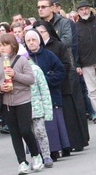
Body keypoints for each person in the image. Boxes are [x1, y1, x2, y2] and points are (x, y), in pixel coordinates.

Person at [0, 33, 44, 175]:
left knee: (25, 129)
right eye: (0, 45)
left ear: (13, 46)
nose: (2, 48)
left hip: (23, 99)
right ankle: (22, 162)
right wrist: (0, 88)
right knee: (15, 133)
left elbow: (31, 79)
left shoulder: (22, 61)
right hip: (7, 102)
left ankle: (36, 155)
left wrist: (15, 75)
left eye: (5, 45)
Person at [33, 19, 89, 154]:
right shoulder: (34, 50)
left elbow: (66, 64)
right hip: (43, 91)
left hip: (61, 85)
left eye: (42, 32)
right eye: (37, 33)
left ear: (49, 32)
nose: (40, 35)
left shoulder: (58, 46)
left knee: (67, 117)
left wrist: (51, 76)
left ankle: (72, 143)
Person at [25, 29, 70, 161]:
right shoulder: (24, 59)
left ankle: (54, 150)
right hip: (32, 98)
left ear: (39, 41)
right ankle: (38, 151)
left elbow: (60, 71)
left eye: (33, 40)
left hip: (50, 94)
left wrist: (46, 80)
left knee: (51, 124)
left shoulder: (49, 55)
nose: (31, 43)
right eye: (28, 41)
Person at [28, 58, 54, 167]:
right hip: (23, 109)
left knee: (40, 132)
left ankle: (46, 155)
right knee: (28, 135)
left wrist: (47, 111)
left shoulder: (35, 70)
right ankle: (35, 156)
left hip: (37, 107)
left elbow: (44, 90)